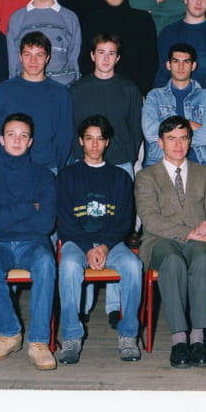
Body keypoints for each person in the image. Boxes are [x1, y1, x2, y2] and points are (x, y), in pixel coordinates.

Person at [134, 116, 206, 368]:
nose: (178, 145)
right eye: (171, 139)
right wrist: (191, 232)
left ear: (190, 141)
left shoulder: (205, 173)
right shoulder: (147, 176)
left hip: (200, 240)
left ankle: (198, 338)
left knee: (204, 259)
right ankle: (179, 339)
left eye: (183, 138)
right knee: (173, 262)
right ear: (160, 143)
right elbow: (150, 220)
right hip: (160, 240)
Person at [57, 115, 143, 364]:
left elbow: (124, 221)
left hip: (111, 244)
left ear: (107, 142)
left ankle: (128, 335)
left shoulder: (120, 177)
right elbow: (65, 220)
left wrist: (104, 247)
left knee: (133, 266)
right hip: (77, 242)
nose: (94, 145)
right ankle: (71, 336)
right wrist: (88, 248)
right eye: (89, 139)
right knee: (69, 265)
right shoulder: (67, 175)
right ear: (81, 141)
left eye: (100, 139)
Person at [0, 113, 57, 370]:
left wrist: (5, 216)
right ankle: (10, 333)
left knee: (46, 262)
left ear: (31, 141)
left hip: (33, 242)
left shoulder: (44, 176)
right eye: (11, 135)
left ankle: (39, 342)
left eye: (23, 136)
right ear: (1, 140)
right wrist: (28, 208)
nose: (17, 140)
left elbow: (46, 224)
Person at [0, 31, 74, 174]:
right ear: (20, 57)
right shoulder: (3, 90)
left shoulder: (60, 93)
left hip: (47, 168)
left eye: (39, 55)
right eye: (28, 54)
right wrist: (1, 162)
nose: (33, 61)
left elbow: (65, 134)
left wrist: (58, 166)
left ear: (47, 58)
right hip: (9, 166)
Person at [70, 33, 142, 177]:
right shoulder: (77, 90)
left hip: (120, 162)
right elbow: (71, 127)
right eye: (101, 52)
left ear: (117, 58)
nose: (106, 58)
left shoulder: (129, 90)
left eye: (111, 53)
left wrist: (130, 156)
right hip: (85, 162)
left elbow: (136, 128)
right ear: (92, 55)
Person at [79, 0, 158, 97]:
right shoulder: (93, 19)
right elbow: (85, 57)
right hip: (98, 90)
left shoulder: (143, 19)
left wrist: (138, 92)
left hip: (133, 91)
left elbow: (150, 61)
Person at [6, 0, 81, 86]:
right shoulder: (17, 18)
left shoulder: (70, 18)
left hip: (63, 87)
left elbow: (74, 58)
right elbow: (13, 60)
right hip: (27, 87)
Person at [143, 43, 206, 169]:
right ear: (168, 65)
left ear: (193, 66)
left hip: (199, 164)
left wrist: (169, 133)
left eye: (186, 62)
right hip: (161, 165)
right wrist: (189, 124)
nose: (181, 66)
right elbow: (150, 133)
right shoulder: (154, 96)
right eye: (176, 61)